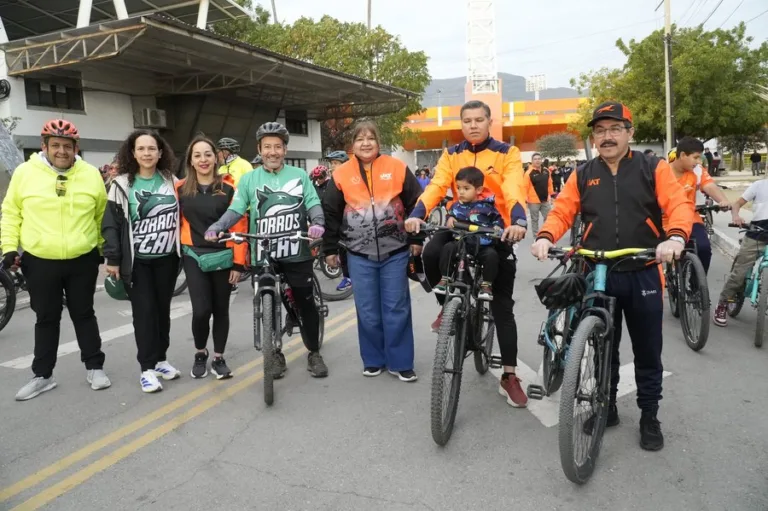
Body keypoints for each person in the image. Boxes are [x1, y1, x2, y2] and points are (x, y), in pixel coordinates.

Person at [531, 101, 693, 451]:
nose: (607, 137)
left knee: (648, 350)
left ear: (629, 133)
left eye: (614, 129)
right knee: (603, 347)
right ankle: (607, 408)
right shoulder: (583, 172)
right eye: (600, 131)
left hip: (644, 271)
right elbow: (562, 210)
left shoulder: (653, 167)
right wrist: (546, 236)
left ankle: (649, 415)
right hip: (598, 270)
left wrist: (676, 235)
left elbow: (678, 204)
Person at [404, 99, 529, 407]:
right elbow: (435, 186)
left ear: (489, 122)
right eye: (467, 120)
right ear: (461, 124)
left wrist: (519, 222)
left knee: (502, 306)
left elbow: (514, 188)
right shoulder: (452, 154)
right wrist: (417, 213)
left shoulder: (506, 153)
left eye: (479, 120)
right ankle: (448, 305)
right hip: (459, 223)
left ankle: (509, 376)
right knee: (432, 253)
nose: (473, 125)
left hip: (495, 228)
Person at [206, 122, 329, 378]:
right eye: (267, 147)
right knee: (269, 299)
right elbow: (236, 209)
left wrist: (317, 222)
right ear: (259, 150)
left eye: (277, 146)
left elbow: (313, 202)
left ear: (285, 149)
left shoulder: (299, 176)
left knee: (305, 303)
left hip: (296, 250)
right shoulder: (250, 179)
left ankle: (314, 352)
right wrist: (218, 226)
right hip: (263, 254)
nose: (272, 151)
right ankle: (274, 353)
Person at [2, 119, 110, 401]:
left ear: (76, 148)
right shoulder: (26, 173)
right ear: (44, 146)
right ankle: (43, 376)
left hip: (82, 258)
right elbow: (11, 213)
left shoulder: (89, 175)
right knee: (46, 318)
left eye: (67, 146)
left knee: (84, 313)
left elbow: (100, 215)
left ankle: (95, 367)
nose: (61, 151)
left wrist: (102, 249)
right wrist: (8, 248)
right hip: (40, 260)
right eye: (56, 145)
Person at [323, 119, 422, 381]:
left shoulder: (397, 167)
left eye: (371, 138)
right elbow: (331, 213)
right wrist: (329, 249)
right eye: (359, 139)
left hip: (396, 251)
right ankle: (374, 359)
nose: (366, 143)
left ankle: (400, 362)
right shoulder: (341, 173)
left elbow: (416, 203)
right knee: (367, 310)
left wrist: (417, 239)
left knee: (396, 308)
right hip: (358, 253)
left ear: (379, 142)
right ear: (352, 145)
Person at [102, 130, 182, 393]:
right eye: (141, 149)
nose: (147, 153)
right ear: (132, 153)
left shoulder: (171, 180)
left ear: (161, 153)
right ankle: (146, 369)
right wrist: (113, 258)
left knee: (162, 312)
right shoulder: (122, 184)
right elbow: (111, 225)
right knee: (145, 314)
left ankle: (160, 360)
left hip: (168, 260)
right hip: (138, 264)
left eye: (152, 149)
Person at [177, 136, 248, 379]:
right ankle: (200, 353)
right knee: (200, 311)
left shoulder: (229, 188)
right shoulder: (180, 189)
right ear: (191, 160)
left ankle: (218, 357)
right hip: (194, 256)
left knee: (221, 310)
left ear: (216, 157)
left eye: (208, 154)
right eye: (197, 155)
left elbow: (239, 224)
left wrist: (239, 262)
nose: (203, 159)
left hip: (224, 257)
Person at [433, 166, 503, 301]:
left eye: (466, 188)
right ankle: (445, 279)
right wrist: (450, 218)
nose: (461, 192)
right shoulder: (456, 206)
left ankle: (486, 285)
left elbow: (497, 221)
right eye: (458, 188)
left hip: (482, 244)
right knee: (448, 248)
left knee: (491, 256)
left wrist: (497, 228)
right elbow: (450, 215)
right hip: (461, 242)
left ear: (479, 190)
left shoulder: (487, 207)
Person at [665, 136, 730, 273]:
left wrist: (723, 201)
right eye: (695, 157)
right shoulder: (662, 172)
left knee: (704, 249)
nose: (699, 162)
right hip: (664, 221)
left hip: (690, 219)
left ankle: (697, 288)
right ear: (682, 155)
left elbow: (709, 186)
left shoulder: (697, 170)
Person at [713, 177, 768, 326]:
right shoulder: (759, 185)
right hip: (756, 235)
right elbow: (737, 204)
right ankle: (722, 304)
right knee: (739, 273)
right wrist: (736, 216)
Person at [524, 153, 554, 236]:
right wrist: (525, 200)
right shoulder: (528, 173)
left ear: (541, 160)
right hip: (533, 201)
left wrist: (551, 195)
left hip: (545, 200)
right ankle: (535, 237)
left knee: (548, 218)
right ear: (532, 161)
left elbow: (550, 184)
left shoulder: (546, 171)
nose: (537, 160)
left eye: (539, 159)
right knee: (535, 219)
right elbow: (525, 187)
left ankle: (545, 235)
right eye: (535, 159)